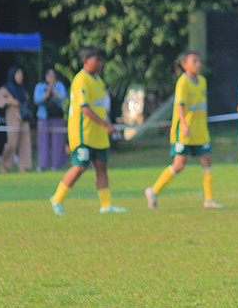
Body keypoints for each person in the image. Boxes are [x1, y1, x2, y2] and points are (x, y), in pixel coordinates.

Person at [49, 46, 128, 215]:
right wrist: (106, 125)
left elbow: (101, 108)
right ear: (86, 61)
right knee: (80, 167)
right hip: (84, 133)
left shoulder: (98, 81)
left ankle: (106, 205)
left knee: (101, 167)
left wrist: (107, 124)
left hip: (99, 134)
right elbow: (85, 108)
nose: (101, 63)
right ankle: (57, 199)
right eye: (97, 60)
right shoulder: (81, 80)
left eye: (102, 60)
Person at [145, 50, 224, 210]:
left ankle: (209, 199)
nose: (198, 64)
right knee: (179, 164)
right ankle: (153, 191)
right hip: (184, 131)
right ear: (184, 64)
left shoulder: (202, 81)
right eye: (194, 61)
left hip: (200, 131)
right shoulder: (183, 82)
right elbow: (180, 105)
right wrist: (184, 125)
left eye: (199, 61)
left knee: (206, 161)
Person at [0, 66, 32, 173]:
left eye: (21, 74)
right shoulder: (7, 88)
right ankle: (4, 164)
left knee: (25, 142)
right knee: (11, 143)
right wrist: (9, 101)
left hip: (23, 118)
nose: (20, 77)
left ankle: (22, 166)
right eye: (18, 74)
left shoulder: (23, 88)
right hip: (12, 117)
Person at [34, 69, 68, 172]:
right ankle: (43, 164)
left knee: (57, 141)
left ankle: (57, 164)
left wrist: (53, 89)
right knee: (43, 142)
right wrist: (48, 90)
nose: (50, 78)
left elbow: (62, 97)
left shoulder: (59, 86)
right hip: (44, 117)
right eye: (49, 76)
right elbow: (37, 99)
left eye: (52, 76)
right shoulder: (40, 86)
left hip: (57, 117)